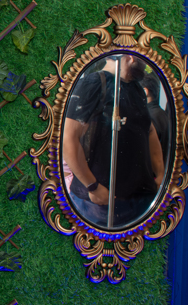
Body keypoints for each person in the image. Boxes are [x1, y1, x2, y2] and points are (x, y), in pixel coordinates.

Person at [62, 54, 164, 227]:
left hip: (140, 202)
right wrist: (92, 186)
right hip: (102, 205)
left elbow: (149, 130)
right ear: (131, 57)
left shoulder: (137, 89)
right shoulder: (93, 83)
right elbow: (68, 138)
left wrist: (160, 172)